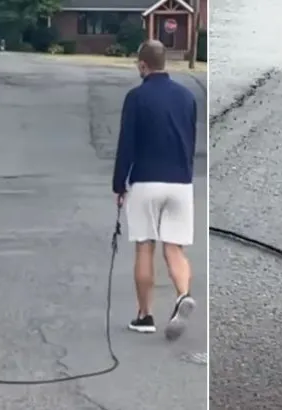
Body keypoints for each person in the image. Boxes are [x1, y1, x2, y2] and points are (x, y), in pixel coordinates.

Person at [111, 40, 198, 341]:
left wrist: (119, 184)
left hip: (147, 180)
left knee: (144, 246)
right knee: (174, 248)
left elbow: (127, 146)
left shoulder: (136, 98)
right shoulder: (187, 97)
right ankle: (182, 296)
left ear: (143, 65)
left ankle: (144, 315)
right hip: (181, 183)